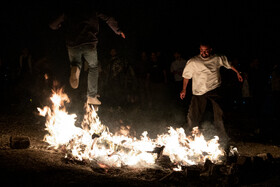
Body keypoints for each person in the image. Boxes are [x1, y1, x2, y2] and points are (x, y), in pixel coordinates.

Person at [49, 2, 125, 106]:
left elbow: (53, 25)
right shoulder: (92, 7)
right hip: (89, 42)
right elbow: (107, 18)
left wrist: (57, 26)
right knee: (93, 66)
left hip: (73, 44)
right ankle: (91, 96)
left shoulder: (70, 9)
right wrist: (118, 30)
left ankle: (76, 68)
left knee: (75, 63)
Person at [180, 42, 243, 144]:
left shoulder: (217, 58)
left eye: (205, 51)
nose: (203, 53)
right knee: (193, 114)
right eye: (201, 50)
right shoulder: (193, 61)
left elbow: (229, 65)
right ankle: (190, 135)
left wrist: (237, 73)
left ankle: (223, 137)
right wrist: (184, 89)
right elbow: (186, 76)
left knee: (220, 113)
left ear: (210, 50)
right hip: (199, 91)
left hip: (214, 89)